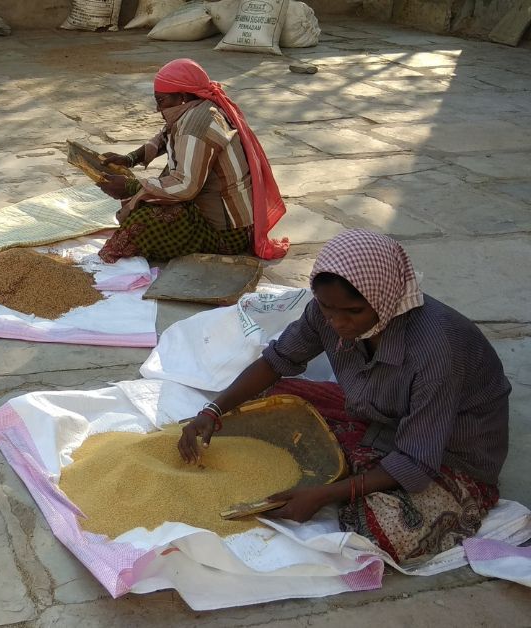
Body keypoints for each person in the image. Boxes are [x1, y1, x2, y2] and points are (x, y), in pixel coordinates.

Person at [176, 229, 510, 564]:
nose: (337, 322)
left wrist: (324, 494)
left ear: (384, 298)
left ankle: (358, 471)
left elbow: (416, 461)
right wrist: (211, 411)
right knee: (271, 396)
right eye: (326, 308)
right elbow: (277, 361)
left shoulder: (436, 349)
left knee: (384, 530)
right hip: (385, 419)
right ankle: (358, 461)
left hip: (450, 455)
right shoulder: (326, 312)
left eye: (352, 312)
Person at [95, 58, 289, 263]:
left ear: (183, 97)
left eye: (161, 101)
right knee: (149, 198)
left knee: (145, 219)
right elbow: (165, 136)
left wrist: (131, 186)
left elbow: (185, 185)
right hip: (220, 217)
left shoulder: (197, 126)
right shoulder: (199, 108)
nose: (158, 109)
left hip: (227, 233)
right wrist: (130, 159)